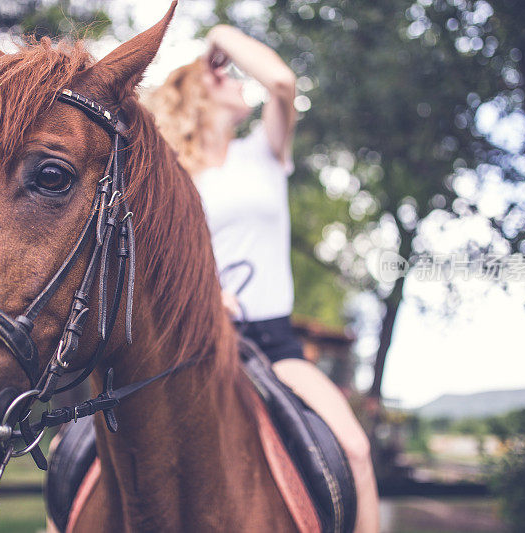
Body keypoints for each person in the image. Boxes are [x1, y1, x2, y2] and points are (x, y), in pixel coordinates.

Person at [145, 25, 380, 533]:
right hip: (195, 341)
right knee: (90, 447)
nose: (234, 79)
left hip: (274, 343)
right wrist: (204, 294)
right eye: (221, 76)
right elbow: (153, 264)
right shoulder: (173, 175)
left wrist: (219, 38)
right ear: (199, 94)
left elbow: (282, 81)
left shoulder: (264, 153)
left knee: (356, 450)